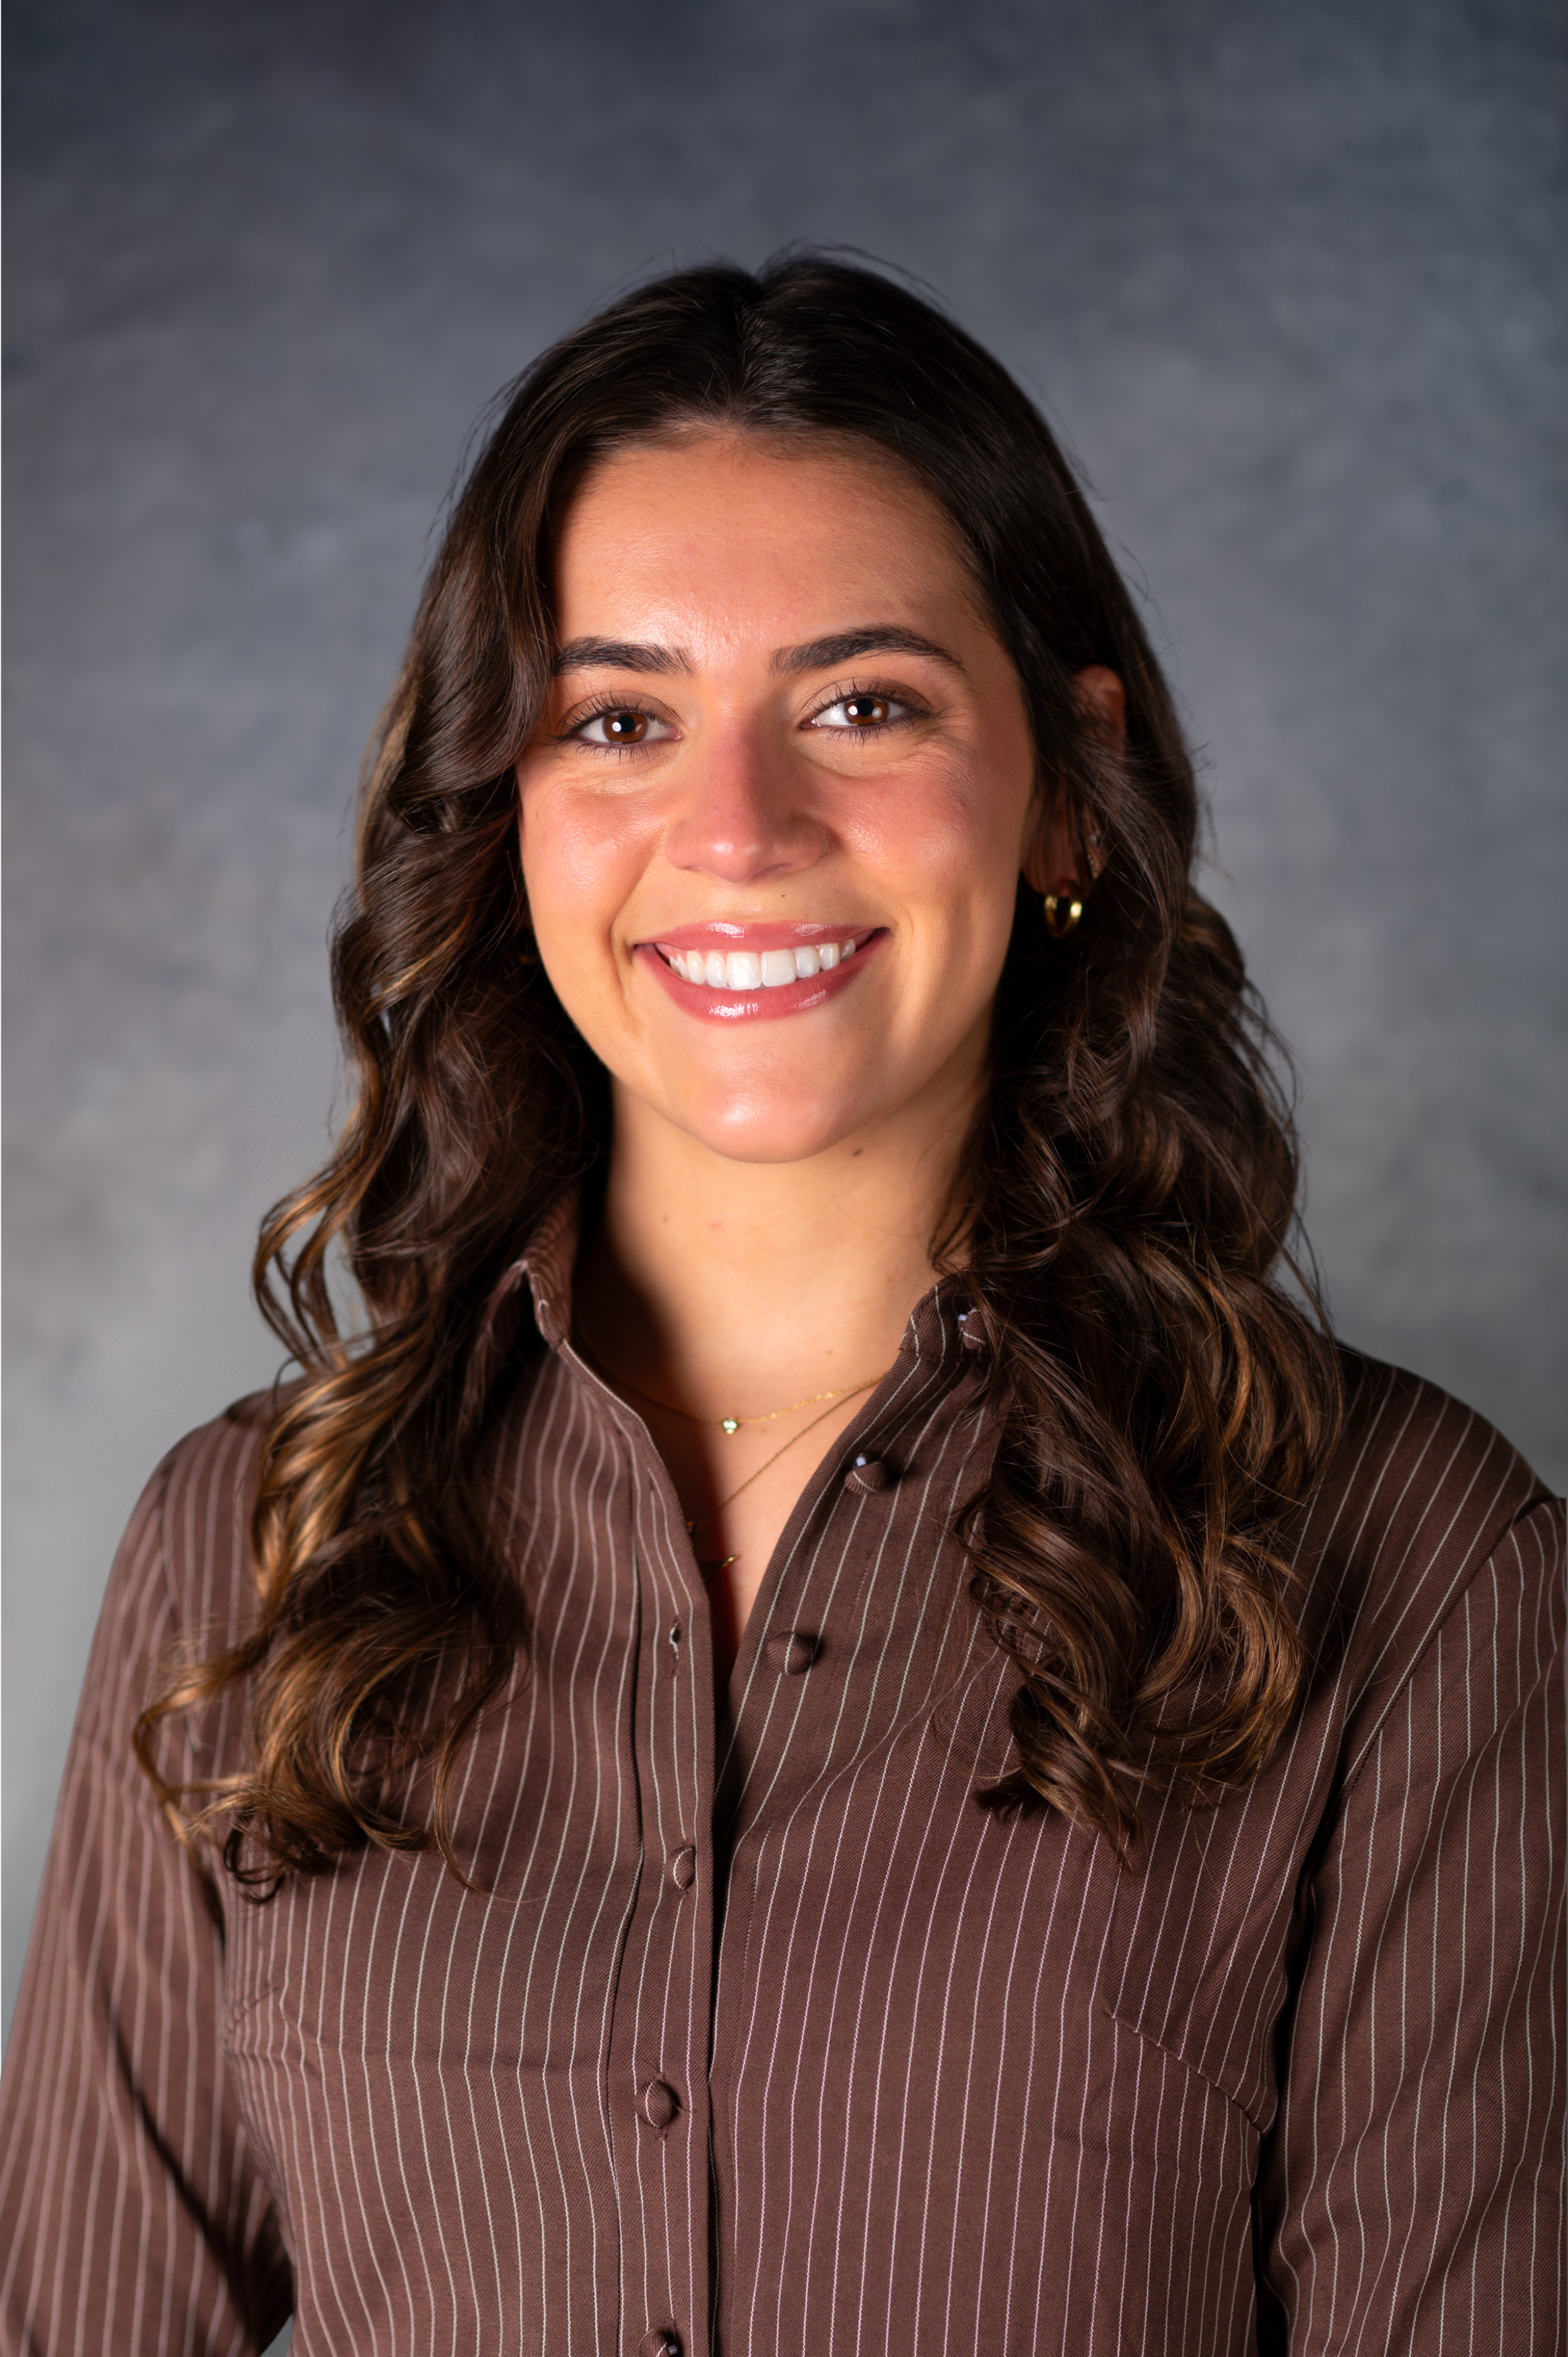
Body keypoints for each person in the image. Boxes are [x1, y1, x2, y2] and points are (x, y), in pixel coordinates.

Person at [1, 255, 1561, 2357]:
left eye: (862, 704)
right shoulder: (251, 1551)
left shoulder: (1415, 1561)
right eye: (617, 719)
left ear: (1067, 778)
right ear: (507, 809)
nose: (737, 832)